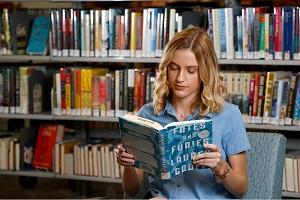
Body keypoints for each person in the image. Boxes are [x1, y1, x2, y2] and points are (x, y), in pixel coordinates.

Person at [116, 27, 251, 199]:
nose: (180, 78)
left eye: (191, 70)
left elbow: (241, 188)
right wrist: (128, 165)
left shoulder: (228, 115)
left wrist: (220, 167)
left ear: (205, 71)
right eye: (174, 68)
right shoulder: (147, 114)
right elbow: (132, 190)